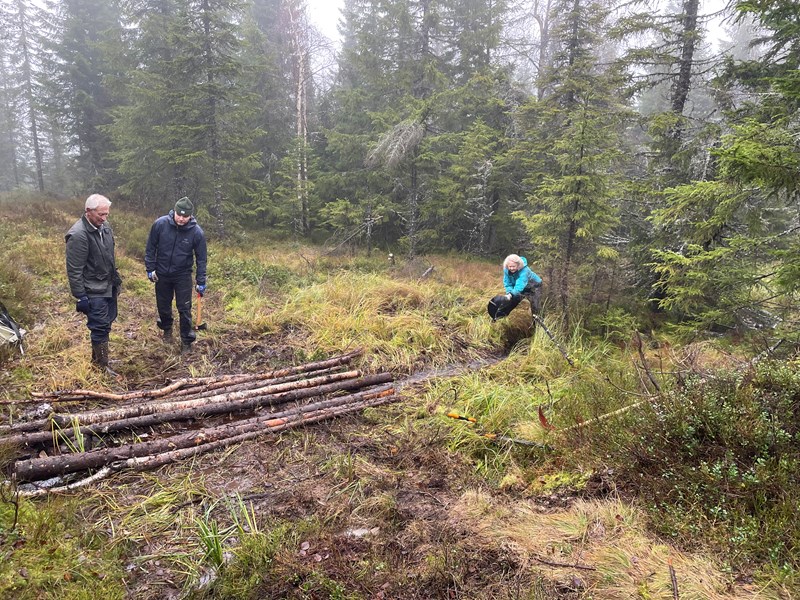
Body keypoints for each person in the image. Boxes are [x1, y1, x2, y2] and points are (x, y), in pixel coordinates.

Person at [65, 194, 123, 375]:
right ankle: (102, 366)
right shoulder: (78, 235)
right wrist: (81, 296)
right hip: (93, 289)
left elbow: (108, 256)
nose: (105, 218)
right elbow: (74, 270)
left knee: (106, 322)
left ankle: (96, 359)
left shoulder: (104, 227)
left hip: (108, 285)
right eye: (101, 214)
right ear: (88, 212)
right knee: (99, 326)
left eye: (107, 214)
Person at [144, 197, 207, 352]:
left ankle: (186, 341)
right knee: (163, 306)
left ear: (190, 216)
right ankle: (167, 329)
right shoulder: (160, 224)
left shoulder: (196, 232)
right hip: (162, 274)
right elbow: (151, 247)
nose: (181, 218)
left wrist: (201, 280)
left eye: (185, 216)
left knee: (184, 309)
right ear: (174, 211)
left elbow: (201, 259)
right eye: (179, 215)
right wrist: (150, 268)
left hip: (182, 275)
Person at [502, 254, 543, 319]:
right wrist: (509, 293)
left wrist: (511, 294)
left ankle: (538, 324)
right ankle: (500, 316)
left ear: (518, 265)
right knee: (512, 299)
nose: (511, 268)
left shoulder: (525, 270)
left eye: (513, 266)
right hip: (522, 287)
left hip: (534, 285)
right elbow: (507, 283)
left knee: (535, 306)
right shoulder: (507, 270)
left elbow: (520, 284)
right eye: (510, 266)